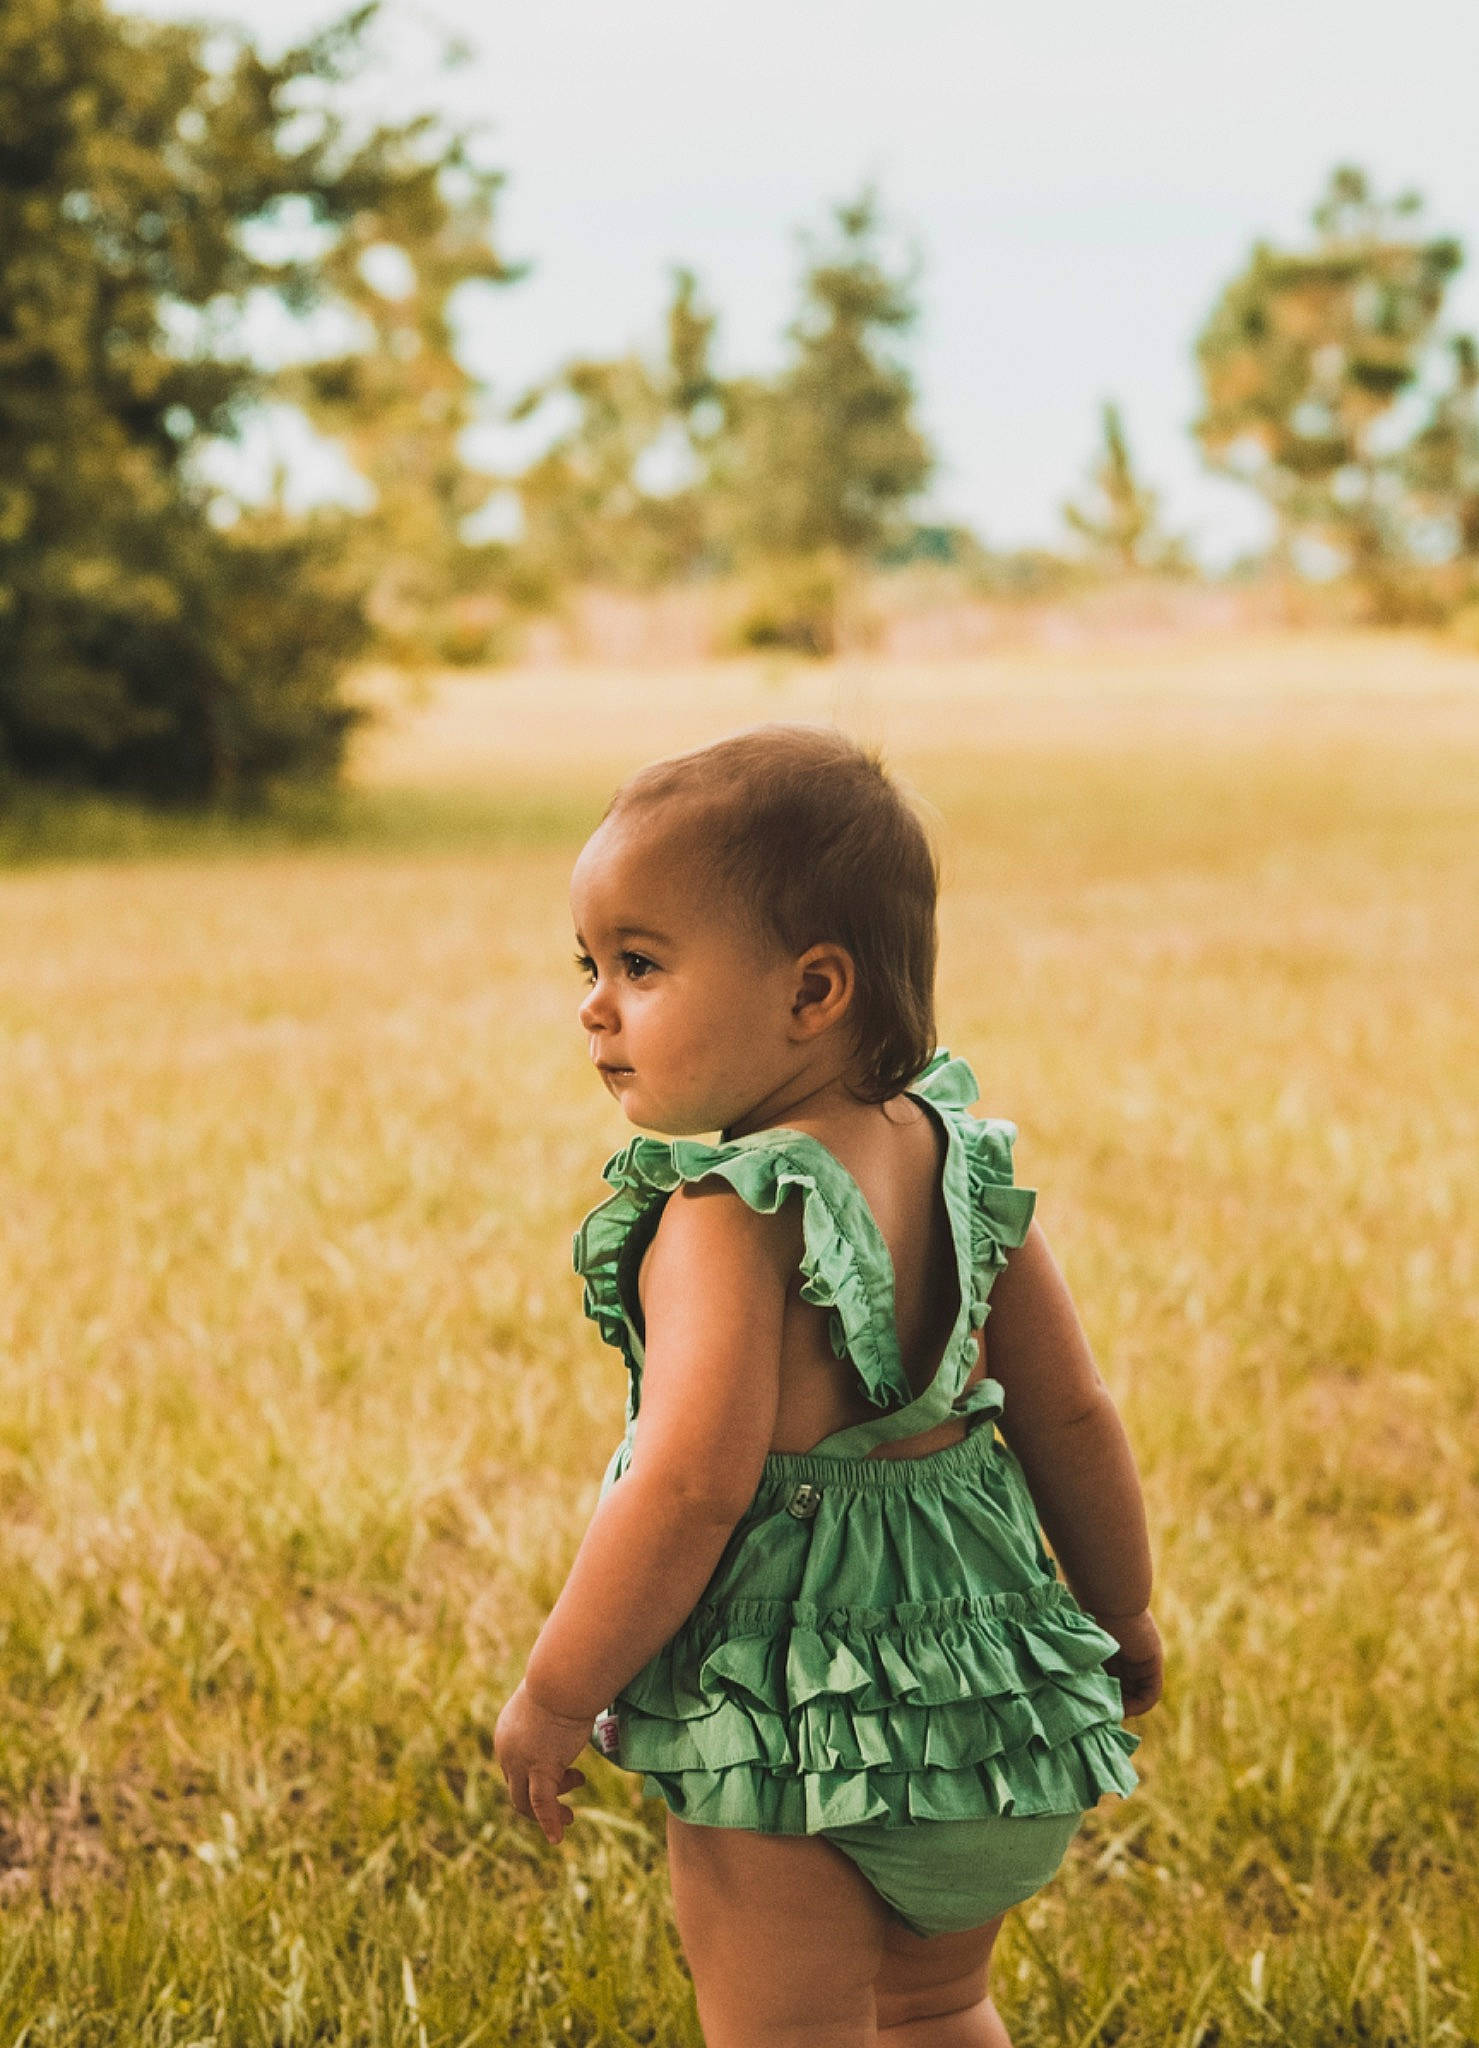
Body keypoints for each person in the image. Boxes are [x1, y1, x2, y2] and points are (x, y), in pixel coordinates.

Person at [495, 724, 1163, 2048]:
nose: (593, 1006)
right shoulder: (966, 1165)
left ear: (812, 994)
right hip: (992, 1698)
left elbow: (690, 1483)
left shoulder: (732, 1212)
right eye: (590, 966)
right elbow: (1073, 1414)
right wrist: (1123, 1615)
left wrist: (561, 1692)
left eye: (640, 965)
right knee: (939, 2007)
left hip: (800, 1716)